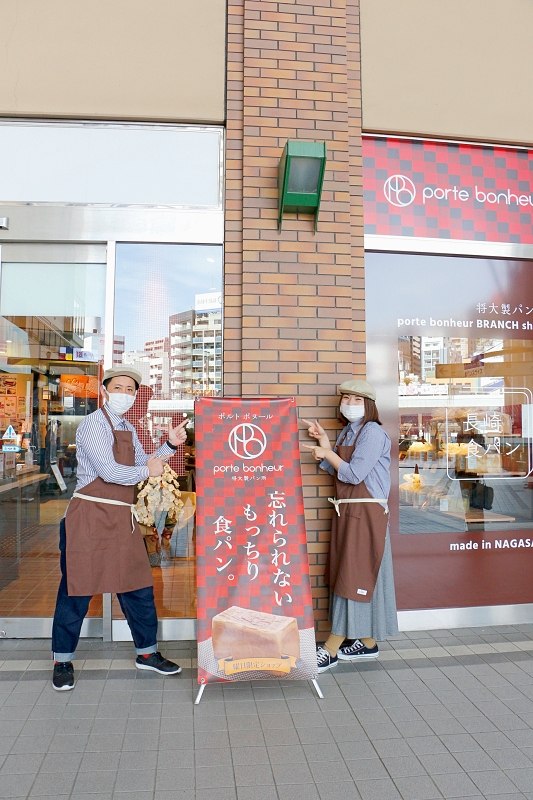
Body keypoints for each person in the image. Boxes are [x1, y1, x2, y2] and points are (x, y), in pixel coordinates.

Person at [50, 367, 188, 691]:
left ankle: (147, 653)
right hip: (89, 516)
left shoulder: (129, 427)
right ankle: (62, 659)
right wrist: (147, 468)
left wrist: (169, 444)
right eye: (119, 387)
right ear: (105, 389)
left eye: (131, 389)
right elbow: (111, 472)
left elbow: (145, 462)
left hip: (122, 517)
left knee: (138, 587)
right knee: (77, 591)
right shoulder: (92, 425)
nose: (125, 393)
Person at [303, 378, 398, 673]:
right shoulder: (349, 431)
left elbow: (355, 474)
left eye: (357, 400)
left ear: (368, 405)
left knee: (354, 577)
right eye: (346, 398)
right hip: (350, 513)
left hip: (366, 515)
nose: (350, 404)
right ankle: (367, 642)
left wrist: (328, 453)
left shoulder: (372, 432)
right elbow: (337, 466)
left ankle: (332, 647)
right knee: (355, 576)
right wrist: (326, 444)